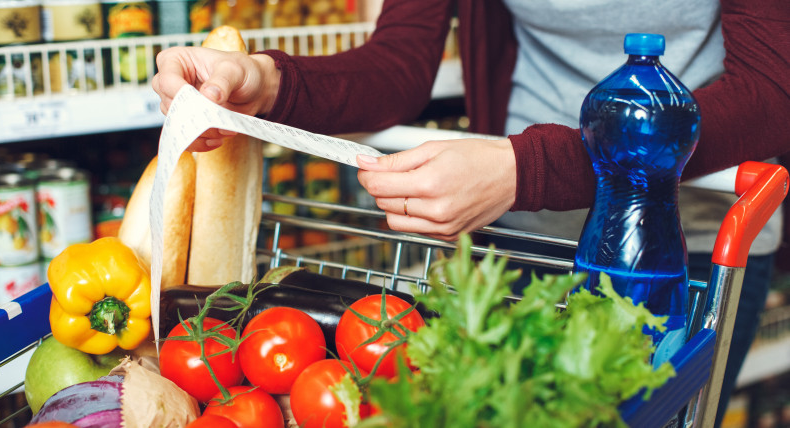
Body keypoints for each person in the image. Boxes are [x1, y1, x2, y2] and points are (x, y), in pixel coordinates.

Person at [152, 0, 790, 426]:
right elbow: (399, 61)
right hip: (521, 242)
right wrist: (264, 81)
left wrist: (531, 167)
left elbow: (771, 90)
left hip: (682, 250)